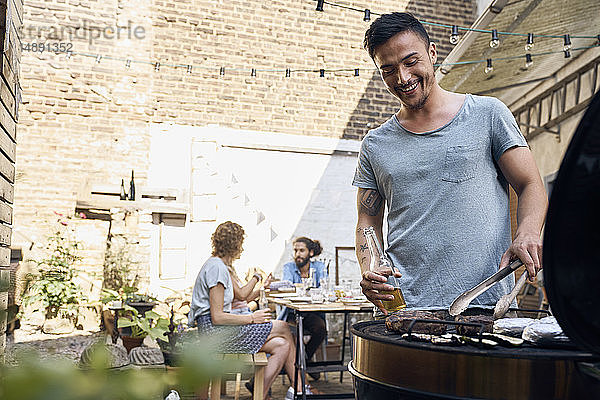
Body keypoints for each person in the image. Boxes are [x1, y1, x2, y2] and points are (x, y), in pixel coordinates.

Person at [353, 13, 548, 314]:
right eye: (388, 70)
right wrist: (372, 266)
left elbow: (530, 184)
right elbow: (367, 221)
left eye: (410, 61)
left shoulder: (487, 114)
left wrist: (528, 232)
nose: (402, 78)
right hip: (404, 309)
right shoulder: (374, 144)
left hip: (483, 303)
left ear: (432, 53)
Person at [189, 221, 308, 400]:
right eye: (241, 243)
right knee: (283, 327)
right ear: (236, 244)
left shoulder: (218, 265)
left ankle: (260, 394)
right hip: (215, 334)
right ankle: (299, 387)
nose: (242, 247)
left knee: (282, 345)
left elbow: (241, 295)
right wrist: (252, 318)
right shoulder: (217, 269)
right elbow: (217, 317)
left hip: (218, 332)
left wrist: (261, 288)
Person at [278, 237, 327, 380]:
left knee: (321, 329)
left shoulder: (319, 267)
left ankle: (304, 359)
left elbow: (324, 287)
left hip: (312, 312)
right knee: (292, 334)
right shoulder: (289, 267)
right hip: (293, 313)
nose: (297, 254)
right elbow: (286, 286)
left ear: (310, 253)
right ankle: (305, 365)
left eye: (301, 250)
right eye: (295, 250)